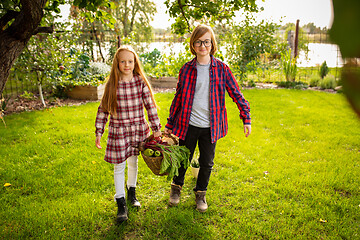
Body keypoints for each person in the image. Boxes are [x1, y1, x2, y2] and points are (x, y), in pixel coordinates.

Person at [164, 24, 251, 212]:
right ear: (193, 45)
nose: (203, 45)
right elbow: (178, 98)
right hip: (188, 124)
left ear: (212, 44)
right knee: (182, 159)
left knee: (207, 162)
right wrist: (170, 124)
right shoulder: (186, 69)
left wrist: (246, 117)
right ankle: (176, 189)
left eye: (206, 42)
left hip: (211, 127)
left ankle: (201, 193)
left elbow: (236, 93)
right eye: (198, 42)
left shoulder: (222, 69)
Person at [95, 46, 161, 223]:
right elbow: (103, 110)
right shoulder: (111, 84)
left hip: (137, 129)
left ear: (135, 63)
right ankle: (121, 202)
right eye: (123, 61)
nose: (127, 65)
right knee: (119, 166)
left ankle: (132, 192)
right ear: (117, 63)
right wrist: (99, 132)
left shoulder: (139, 82)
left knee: (133, 162)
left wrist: (156, 128)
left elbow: (150, 106)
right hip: (119, 131)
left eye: (130, 61)